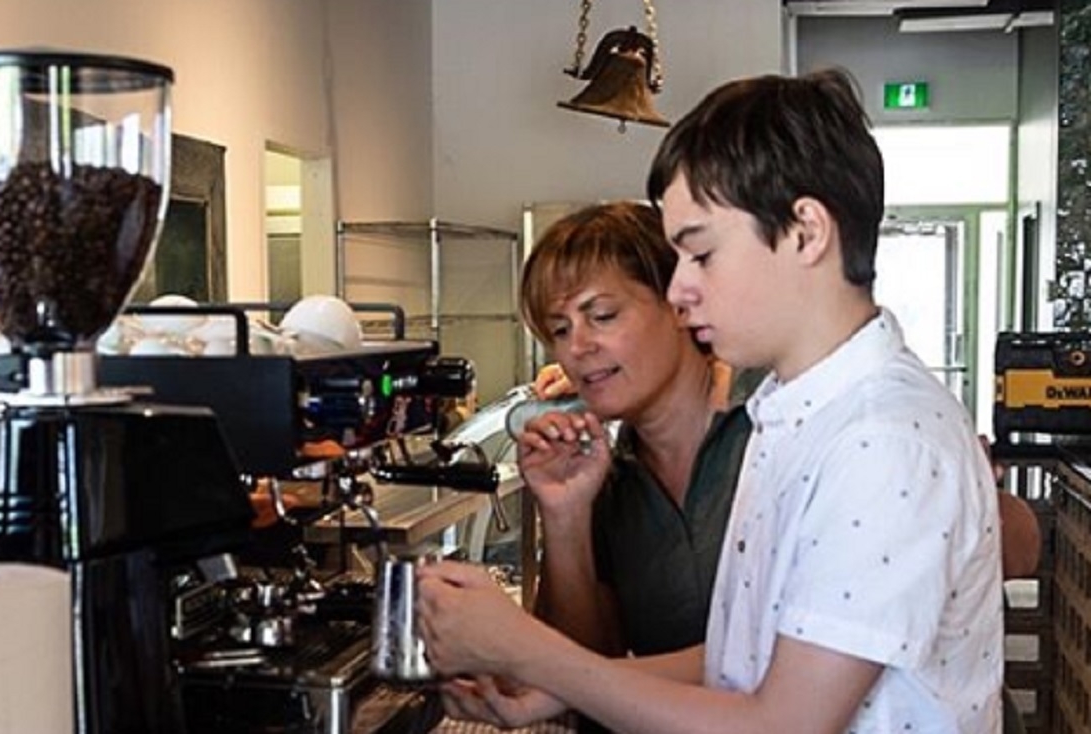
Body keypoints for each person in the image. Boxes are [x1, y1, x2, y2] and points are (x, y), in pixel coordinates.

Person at [417, 67, 1005, 733]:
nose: (679, 291)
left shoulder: (881, 440)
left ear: (806, 232)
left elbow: (782, 726)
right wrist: (552, 686)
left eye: (701, 255)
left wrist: (523, 649)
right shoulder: (792, 413)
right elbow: (744, 657)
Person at [514, 201, 750, 661]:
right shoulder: (606, 480)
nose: (577, 347)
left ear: (678, 303)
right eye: (560, 329)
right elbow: (581, 670)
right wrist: (565, 516)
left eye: (602, 316)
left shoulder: (769, 425)